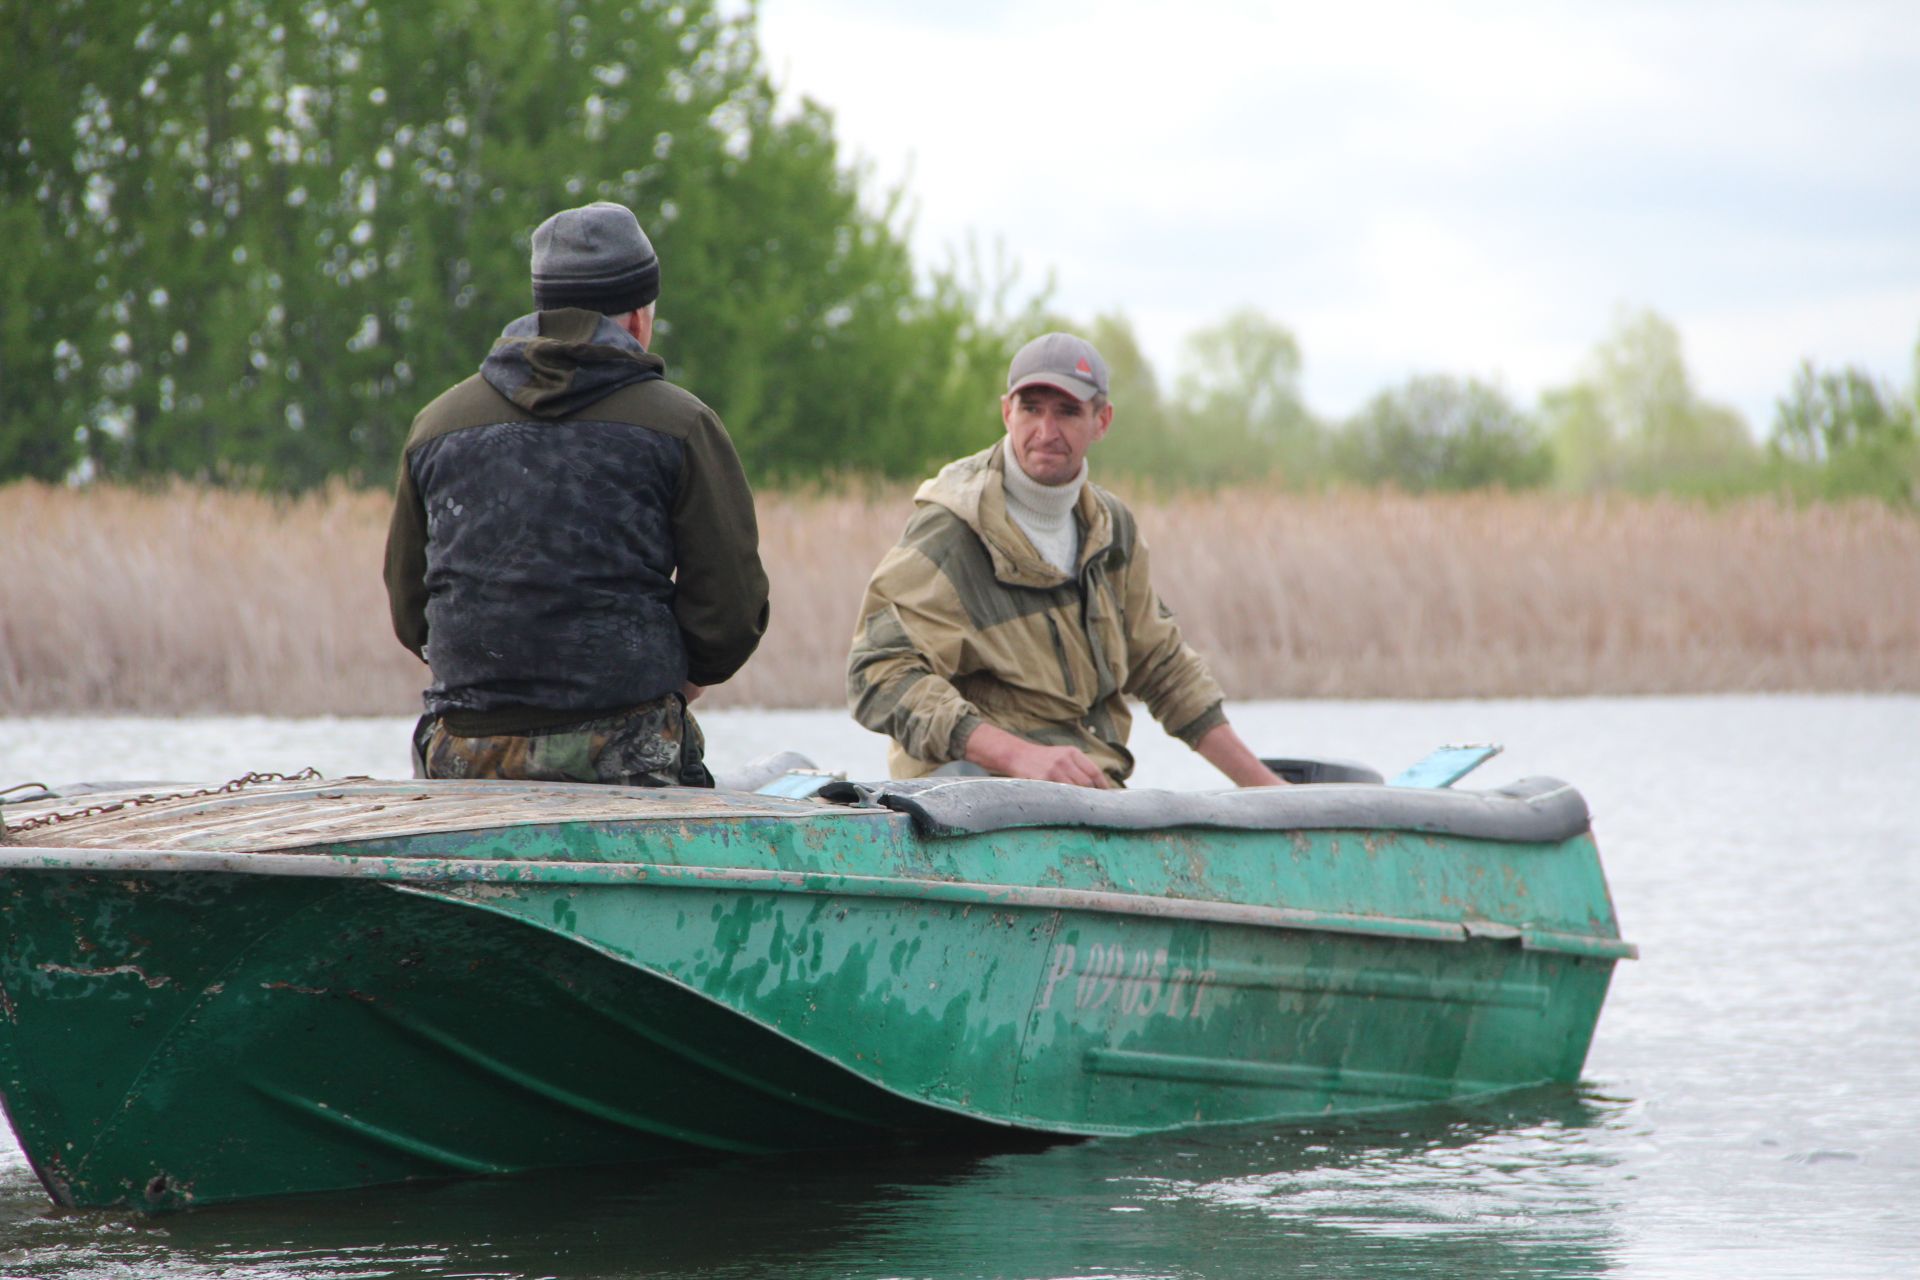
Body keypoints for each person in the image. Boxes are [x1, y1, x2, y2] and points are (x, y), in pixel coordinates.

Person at [384, 201, 768, 787]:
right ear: (639, 319)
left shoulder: (436, 425)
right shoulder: (681, 425)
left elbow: (412, 611)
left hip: (462, 754)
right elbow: (731, 613)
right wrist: (677, 684)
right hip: (625, 751)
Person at [847, 332, 1284, 789]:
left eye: (1068, 412)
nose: (1046, 432)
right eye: (1031, 409)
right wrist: (1018, 756)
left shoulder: (1112, 528)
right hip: (974, 807)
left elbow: (1163, 667)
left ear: (1102, 421)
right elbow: (876, 672)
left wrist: (1269, 792)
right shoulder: (953, 530)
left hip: (1091, 799)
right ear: (1006, 412)